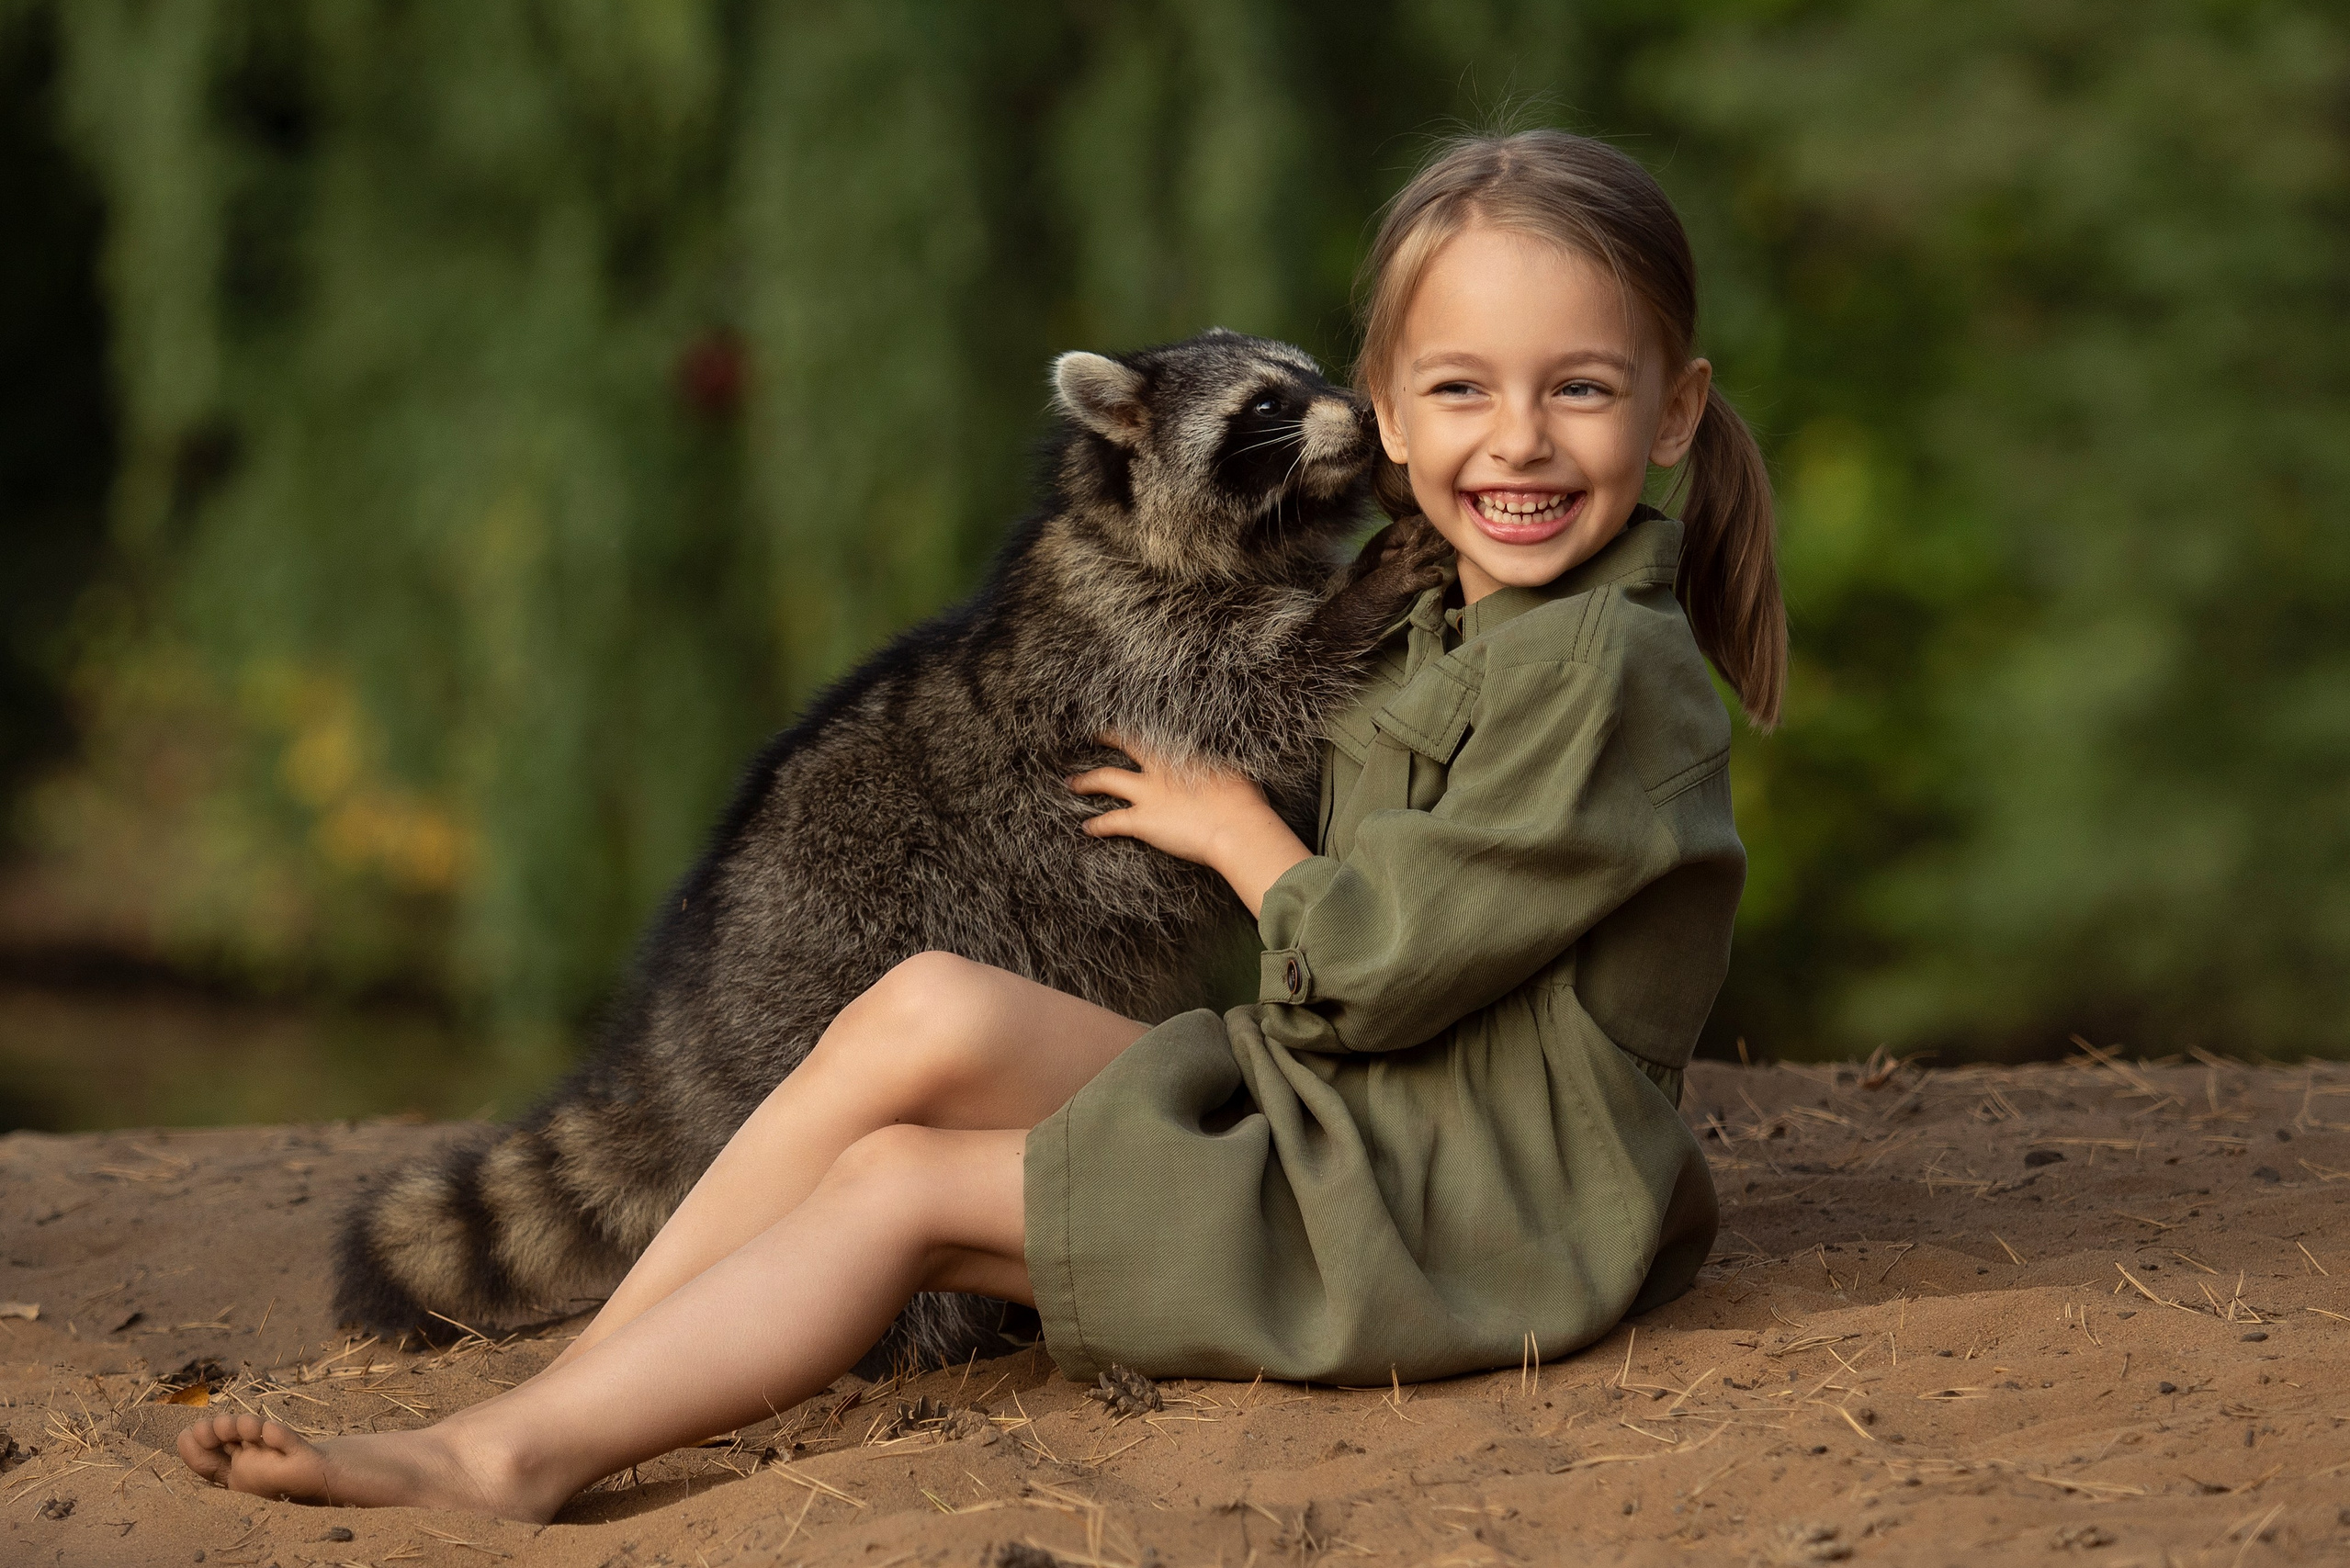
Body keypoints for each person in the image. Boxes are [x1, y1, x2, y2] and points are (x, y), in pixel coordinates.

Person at [177, 128, 1785, 1522]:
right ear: (1393, 418)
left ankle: (509, 1462)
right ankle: (568, 1395)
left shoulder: (1596, 671)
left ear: (1668, 414)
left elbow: (1370, 967)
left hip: (1451, 1219)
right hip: (1370, 1125)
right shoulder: (1471, 603)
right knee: (917, 1012)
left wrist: (1227, 826)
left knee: (893, 1185)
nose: (1512, 439)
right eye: (1458, 392)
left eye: (1573, 391)